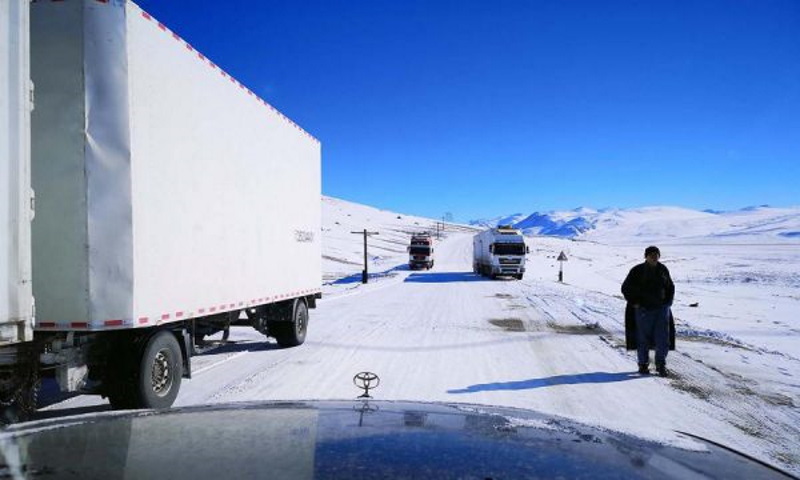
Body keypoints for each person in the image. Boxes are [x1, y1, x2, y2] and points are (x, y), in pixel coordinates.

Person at [621, 246, 675, 377]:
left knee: (663, 338)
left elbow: (670, 287)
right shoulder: (637, 270)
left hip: (661, 310)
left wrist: (668, 303)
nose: (654, 256)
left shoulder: (663, 269)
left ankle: (661, 365)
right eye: (651, 254)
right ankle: (643, 364)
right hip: (643, 310)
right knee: (643, 338)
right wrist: (635, 303)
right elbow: (625, 288)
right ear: (646, 256)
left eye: (656, 254)